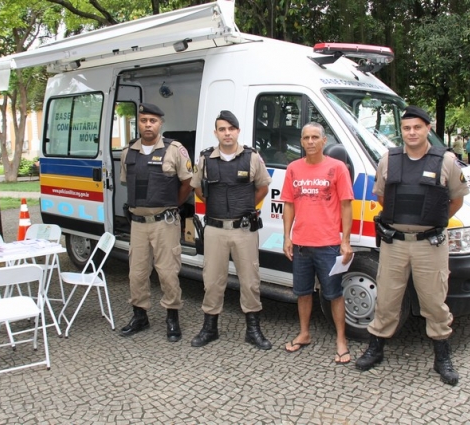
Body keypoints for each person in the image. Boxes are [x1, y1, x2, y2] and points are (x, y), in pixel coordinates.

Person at [355, 105, 469, 386]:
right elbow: (382, 197)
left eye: (417, 127)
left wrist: (432, 221)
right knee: (387, 299)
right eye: (406, 128)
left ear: (428, 128)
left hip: (429, 244)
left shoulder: (446, 161)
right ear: (401, 131)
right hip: (394, 243)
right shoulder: (388, 160)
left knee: (433, 301)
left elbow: (455, 200)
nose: (412, 132)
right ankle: (376, 348)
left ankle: (441, 356)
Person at [190, 110, 272, 350]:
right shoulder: (205, 159)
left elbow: (262, 188)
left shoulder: (252, 157)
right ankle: (210, 328)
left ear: (238, 131)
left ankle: (253, 330)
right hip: (215, 229)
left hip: (244, 229)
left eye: (231, 129)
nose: (227, 133)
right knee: (213, 280)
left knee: (250, 280)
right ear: (216, 132)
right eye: (222, 129)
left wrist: (242, 208)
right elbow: (198, 189)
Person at [281, 122, 354, 364]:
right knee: (302, 293)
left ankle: (341, 341)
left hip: (329, 245)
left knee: (334, 294)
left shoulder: (338, 168)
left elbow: (346, 205)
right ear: (301, 142)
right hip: (301, 244)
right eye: (306, 138)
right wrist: (287, 236)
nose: (310, 141)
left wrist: (345, 241)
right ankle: (304, 333)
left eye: (315, 137)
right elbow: (289, 204)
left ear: (324, 141)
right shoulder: (293, 168)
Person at [119, 103, 193, 342]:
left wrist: (173, 205)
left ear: (161, 123)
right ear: (138, 123)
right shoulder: (128, 151)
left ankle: (172, 318)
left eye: (152, 120)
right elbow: (126, 182)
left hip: (165, 222)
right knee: (137, 273)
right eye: (143, 120)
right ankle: (140, 315)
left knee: (168, 272)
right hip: (138, 224)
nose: (148, 125)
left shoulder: (175, 150)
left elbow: (187, 183)